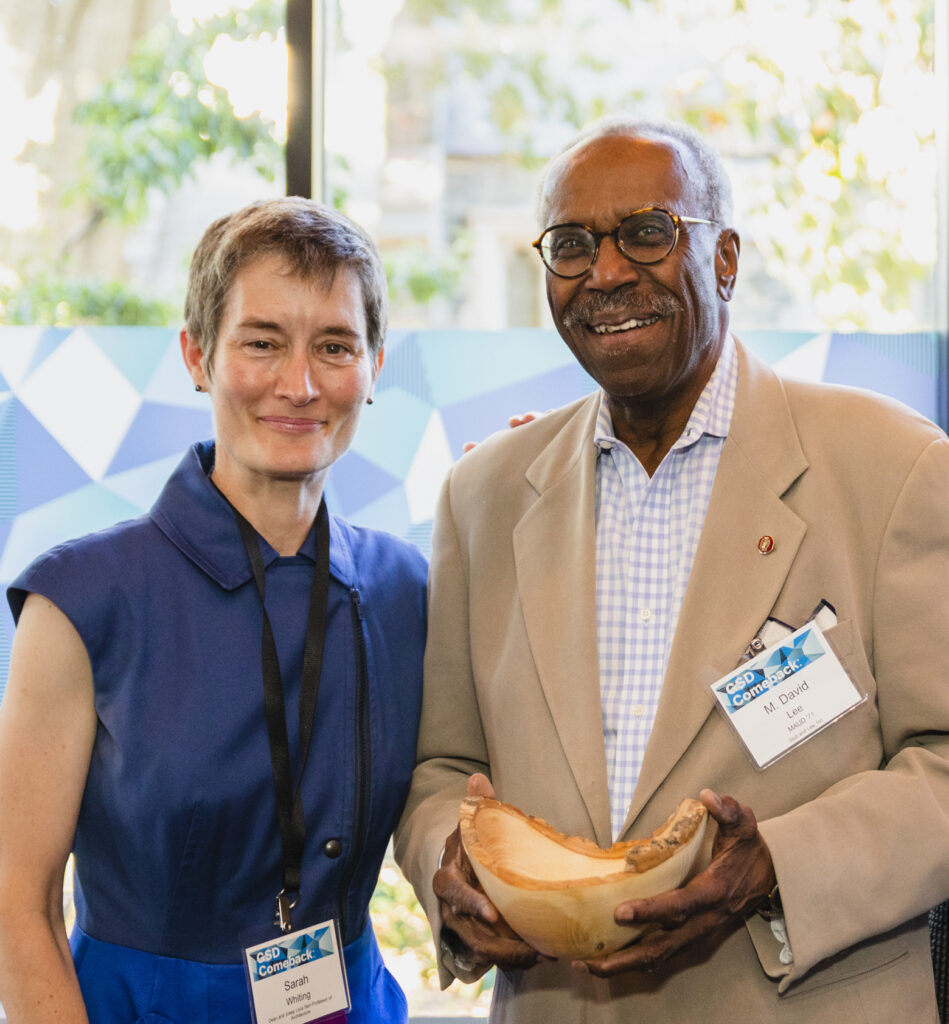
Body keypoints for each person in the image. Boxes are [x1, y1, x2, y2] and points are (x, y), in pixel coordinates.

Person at [394, 116, 949, 1023]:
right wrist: (445, 864)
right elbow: (442, 768)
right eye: (570, 246)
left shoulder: (892, 468)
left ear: (724, 258)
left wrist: (778, 863)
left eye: (647, 232)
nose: (606, 273)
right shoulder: (482, 496)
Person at [0, 197, 427, 1023]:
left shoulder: (407, 589)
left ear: (374, 365)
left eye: (334, 347)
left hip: (350, 1000)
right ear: (197, 355)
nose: (298, 385)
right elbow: (17, 902)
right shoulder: (84, 601)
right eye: (261, 342)